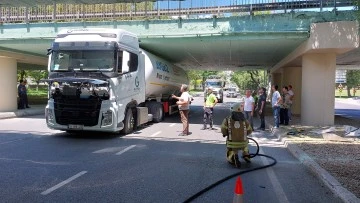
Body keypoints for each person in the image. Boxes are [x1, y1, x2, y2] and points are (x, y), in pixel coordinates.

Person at [221, 102, 253, 168]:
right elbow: (249, 130)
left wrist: (226, 134)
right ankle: (246, 155)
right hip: (243, 143)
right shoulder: (245, 121)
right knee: (245, 147)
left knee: (231, 149)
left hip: (232, 143)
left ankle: (232, 156)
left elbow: (223, 130)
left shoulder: (227, 120)